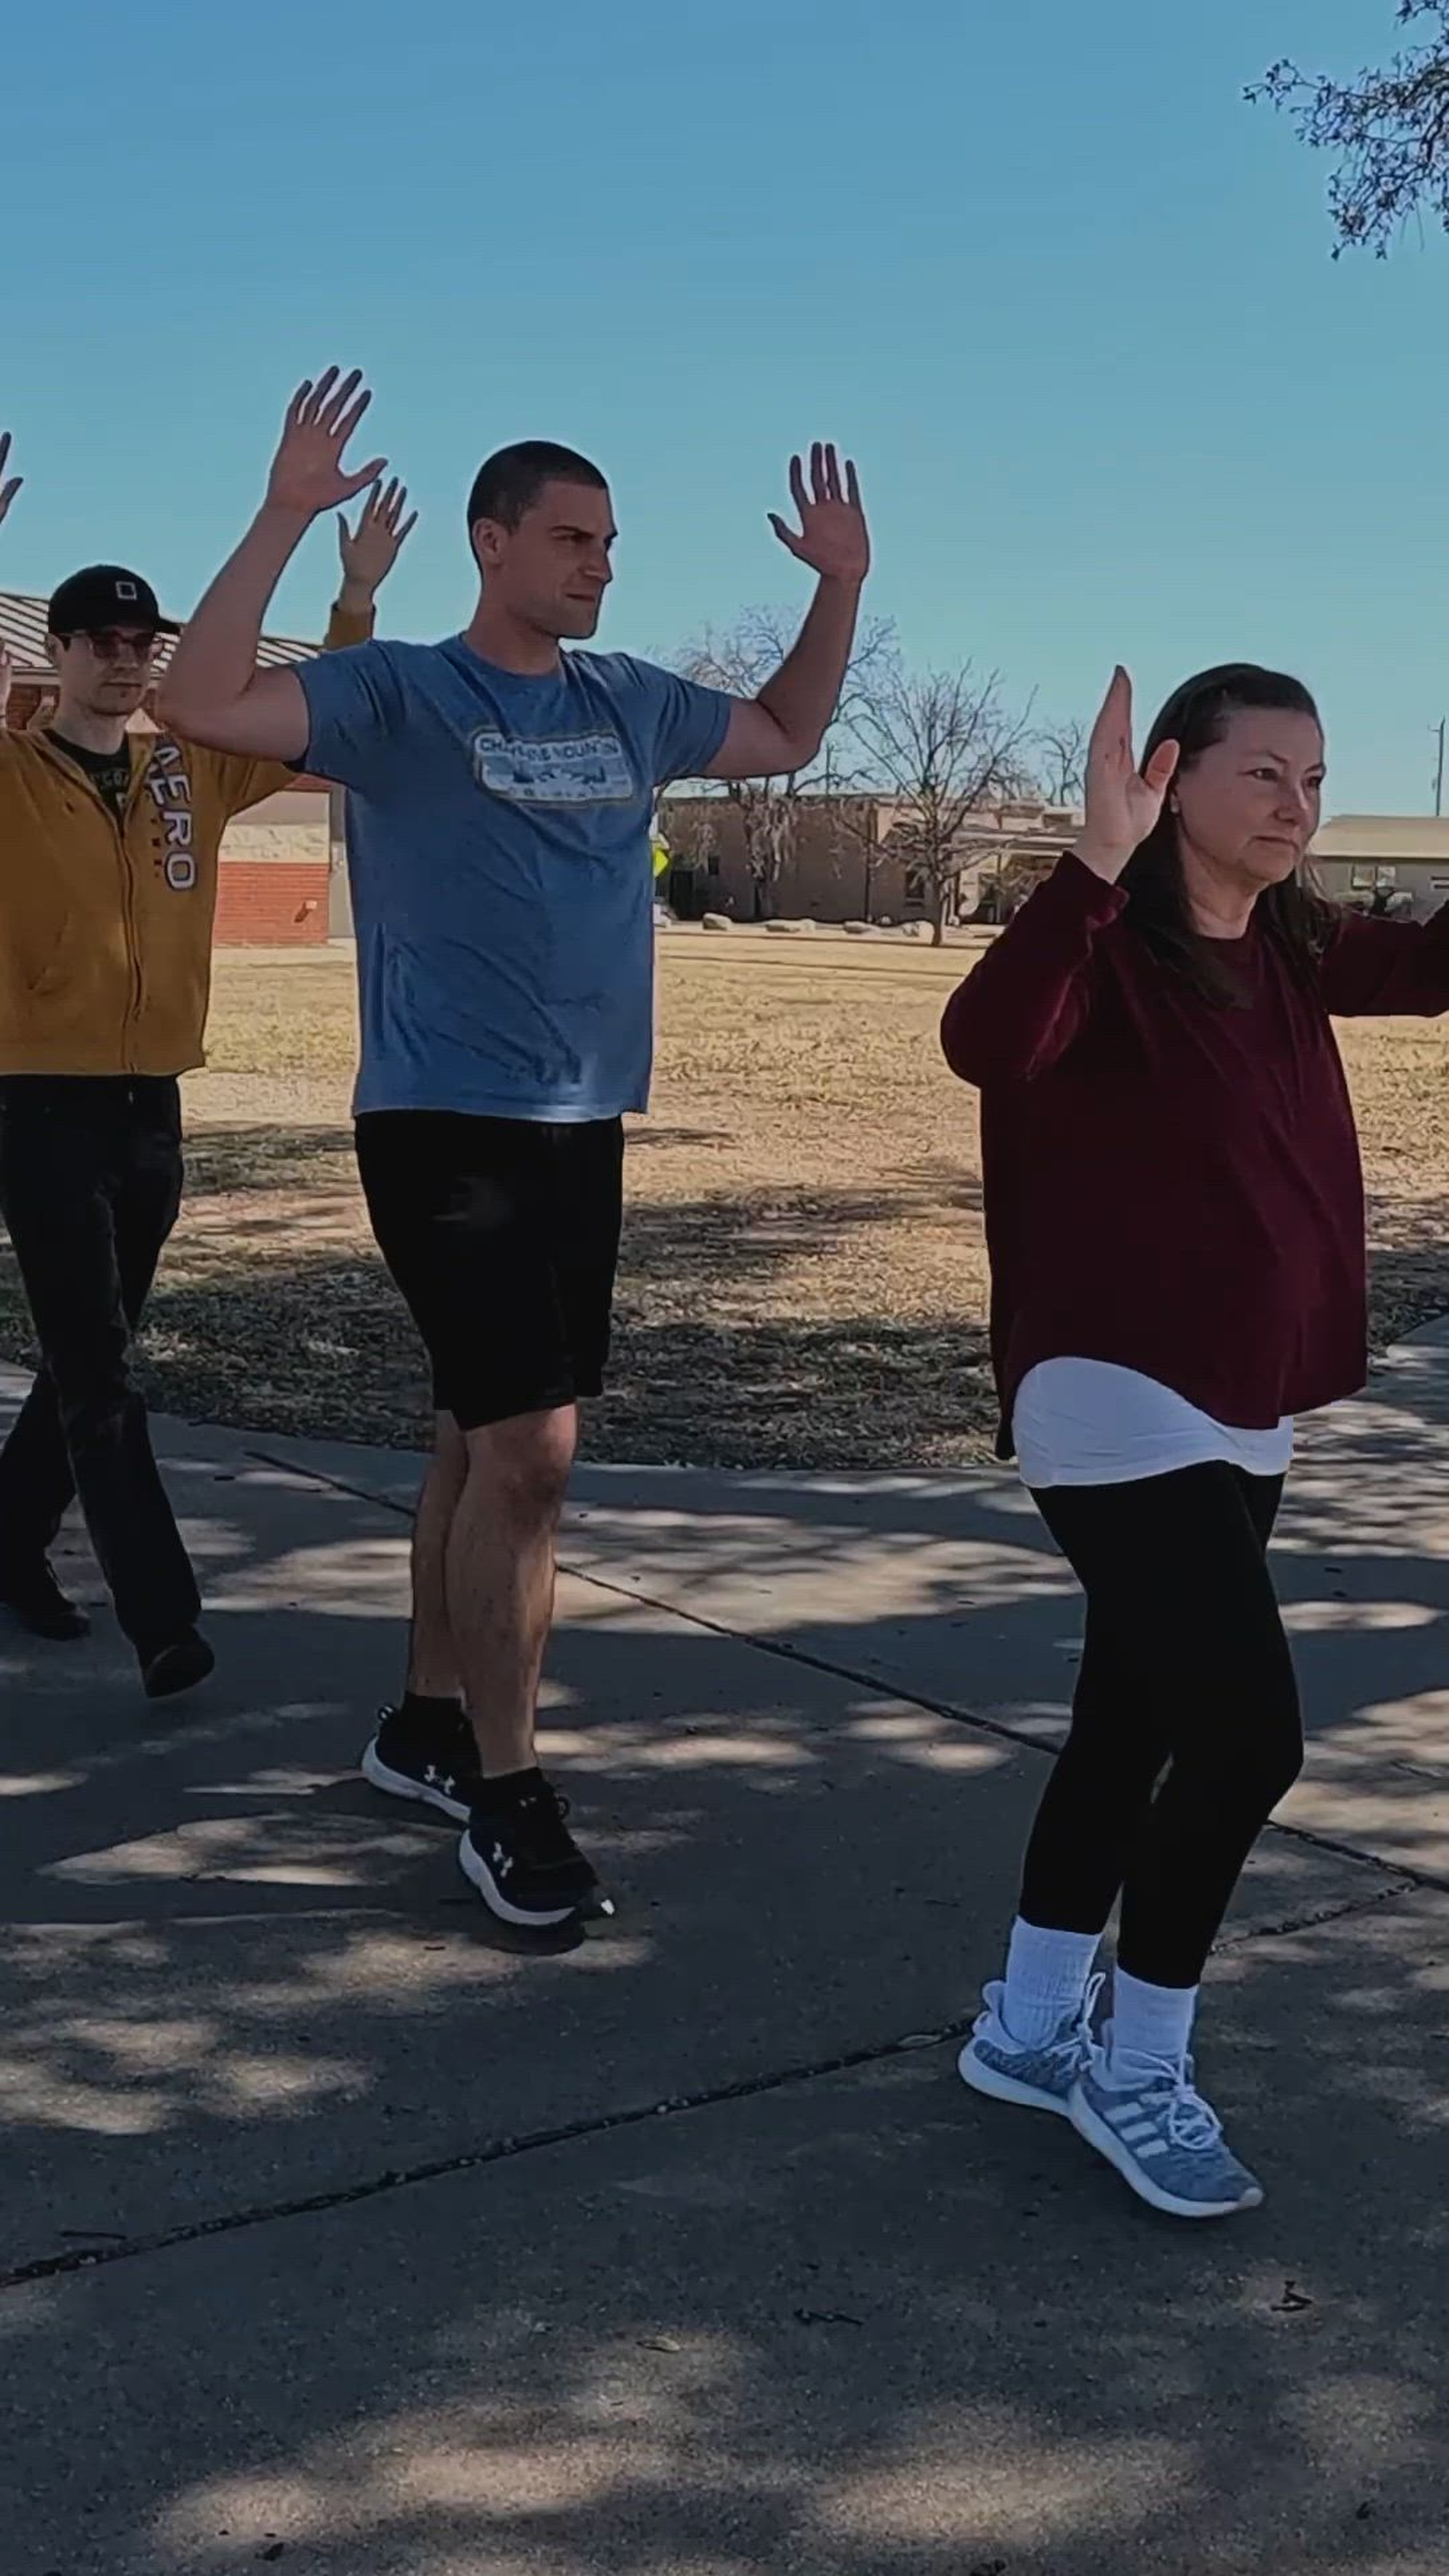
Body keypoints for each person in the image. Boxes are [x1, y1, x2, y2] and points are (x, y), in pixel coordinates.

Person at [159, 368, 869, 1925]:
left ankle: (426, 1720)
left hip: (578, 1124)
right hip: (441, 1121)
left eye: (607, 542)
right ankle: (508, 1790)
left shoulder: (629, 701)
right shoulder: (400, 694)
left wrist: (841, 585)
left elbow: (788, 731)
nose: (598, 565)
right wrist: (283, 515)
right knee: (534, 1451)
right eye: (569, 538)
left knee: (473, 1438)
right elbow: (199, 703)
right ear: (492, 544)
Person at [941, 661, 1449, 2220]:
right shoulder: (1099, 939)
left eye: (1314, 778)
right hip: (1109, 1387)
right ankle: (1136, 2063)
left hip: (1243, 1396)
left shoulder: (1291, 942)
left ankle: (1029, 2026)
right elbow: (986, 1038)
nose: (1298, 805)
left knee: (1132, 1720)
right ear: (1173, 777)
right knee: (1246, 1739)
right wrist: (1093, 860)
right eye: (1265, 774)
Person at [0, 435, 412, 1694]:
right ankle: (163, 1621)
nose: (126, 659)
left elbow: (314, 716)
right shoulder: (11, 773)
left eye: (143, 643)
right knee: (99, 1374)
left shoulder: (188, 769)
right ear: (59, 652)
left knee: (94, 1350)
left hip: (151, 1106)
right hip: (35, 1102)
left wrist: (354, 597)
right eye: (101, 640)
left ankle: (8, 1542)